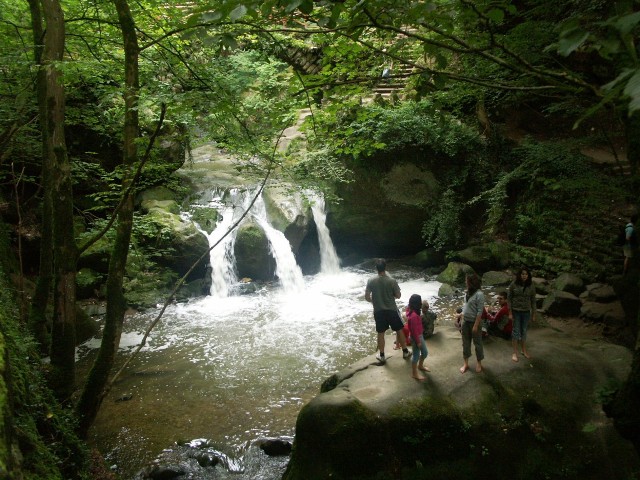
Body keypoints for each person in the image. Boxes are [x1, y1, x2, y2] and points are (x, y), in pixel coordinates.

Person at [365, 258, 411, 363]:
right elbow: (398, 295)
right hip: (391, 310)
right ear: (385, 268)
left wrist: (375, 301)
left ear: (376, 268)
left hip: (378, 311)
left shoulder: (371, 281)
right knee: (399, 329)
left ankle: (381, 356)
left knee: (380, 333)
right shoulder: (391, 281)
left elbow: (367, 297)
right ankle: (405, 352)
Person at [507, 267, 536, 362]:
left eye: (526, 274)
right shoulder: (513, 285)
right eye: (522, 274)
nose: (524, 276)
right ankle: (514, 352)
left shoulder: (531, 285)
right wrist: (510, 313)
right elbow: (509, 299)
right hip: (516, 311)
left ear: (528, 276)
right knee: (516, 331)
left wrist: (534, 314)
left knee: (524, 331)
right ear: (520, 275)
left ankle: (523, 350)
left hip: (526, 312)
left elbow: (533, 301)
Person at [460, 273, 485, 374]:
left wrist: (475, 325)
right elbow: (466, 306)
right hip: (465, 321)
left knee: (477, 343)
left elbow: (480, 311)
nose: (465, 282)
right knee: (465, 343)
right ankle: (466, 363)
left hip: (475, 322)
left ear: (472, 282)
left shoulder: (479, 294)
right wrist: (461, 315)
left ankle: (479, 363)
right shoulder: (467, 293)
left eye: (467, 281)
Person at [406, 294, 430, 381]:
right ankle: (414, 374)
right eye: (420, 301)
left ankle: (420, 366)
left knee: (425, 353)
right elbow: (414, 331)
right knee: (416, 355)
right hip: (417, 337)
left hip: (419, 336)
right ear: (417, 304)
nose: (421, 303)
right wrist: (418, 341)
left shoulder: (411, 311)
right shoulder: (414, 316)